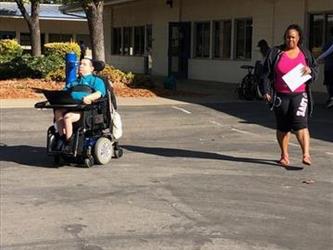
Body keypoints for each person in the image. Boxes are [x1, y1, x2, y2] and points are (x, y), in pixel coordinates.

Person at [261, 24, 318, 167]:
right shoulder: (276, 52)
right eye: (287, 37)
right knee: (283, 128)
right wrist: (266, 91)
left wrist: (309, 70)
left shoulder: (305, 53)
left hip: (300, 95)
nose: (290, 39)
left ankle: (306, 154)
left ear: (299, 38)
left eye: (293, 37)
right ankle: (284, 155)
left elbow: (314, 69)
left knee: (300, 125)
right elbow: (265, 74)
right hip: (281, 96)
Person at [54, 58, 106, 150]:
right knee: (58, 112)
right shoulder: (74, 82)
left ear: (92, 68)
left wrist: (89, 97)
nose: (80, 66)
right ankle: (62, 138)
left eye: (84, 64)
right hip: (71, 106)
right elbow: (63, 93)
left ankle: (69, 143)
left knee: (67, 117)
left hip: (86, 111)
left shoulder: (96, 81)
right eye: (80, 64)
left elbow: (99, 93)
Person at [318, 27, 333, 108]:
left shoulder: (328, 42)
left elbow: (324, 53)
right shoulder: (330, 43)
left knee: (329, 83)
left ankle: (331, 97)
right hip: (329, 66)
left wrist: (317, 60)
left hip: (328, 66)